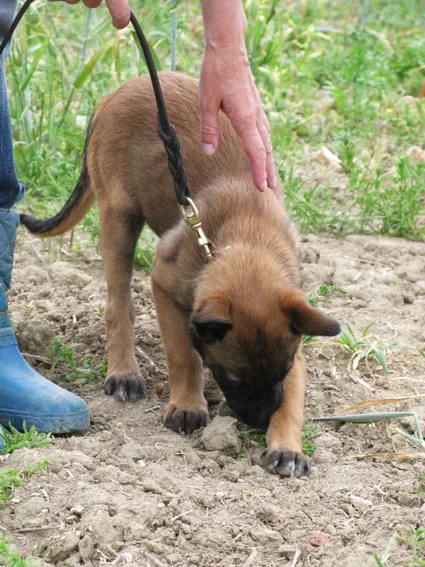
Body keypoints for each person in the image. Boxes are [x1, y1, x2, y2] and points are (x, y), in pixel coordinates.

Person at [0, 0, 275, 447]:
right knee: (120, 226)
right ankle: (119, 340)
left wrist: (227, 42)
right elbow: (167, 279)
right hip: (131, 127)